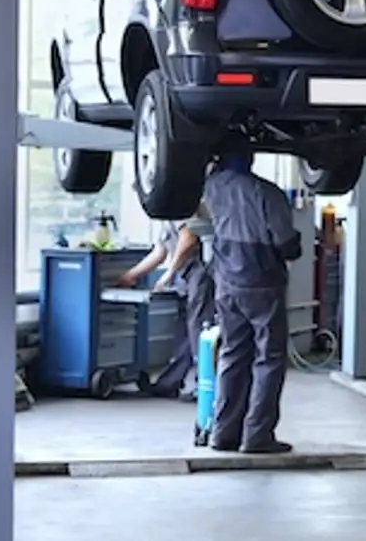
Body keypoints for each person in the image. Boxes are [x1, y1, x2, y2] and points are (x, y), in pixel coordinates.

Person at [203, 148, 302, 454]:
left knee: (232, 354)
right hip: (262, 283)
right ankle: (257, 436)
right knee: (269, 359)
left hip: (225, 282)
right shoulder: (267, 193)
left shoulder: (211, 187)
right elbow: (287, 245)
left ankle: (223, 433)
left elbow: (196, 224)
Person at [116, 209, 216, 400]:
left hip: (201, 271)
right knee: (184, 331)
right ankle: (170, 383)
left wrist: (170, 273)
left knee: (198, 330)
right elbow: (160, 252)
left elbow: (189, 238)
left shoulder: (178, 206)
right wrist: (130, 276)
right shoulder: (165, 216)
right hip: (187, 275)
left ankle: (203, 387)